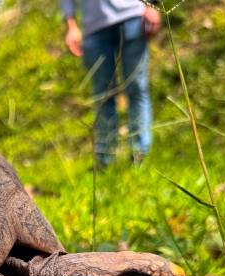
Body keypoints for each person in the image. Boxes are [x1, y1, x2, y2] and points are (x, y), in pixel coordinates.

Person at [62, 0, 161, 167]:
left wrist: (151, 5)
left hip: (132, 17)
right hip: (94, 28)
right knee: (103, 95)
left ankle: (140, 154)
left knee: (136, 87)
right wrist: (71, 25)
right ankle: (104, 159)